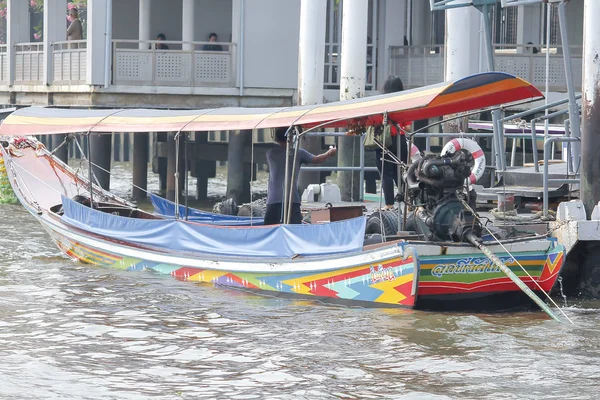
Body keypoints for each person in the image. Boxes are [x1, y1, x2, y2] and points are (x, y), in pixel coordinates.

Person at [264, 127, 337, 225]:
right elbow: (317, 159)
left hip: (273, 199)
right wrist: (329, 153)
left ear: (276, 138)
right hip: (292, 199)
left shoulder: (270, 154)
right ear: (290, 138)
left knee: (270, 228)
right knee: (295, 229)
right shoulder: (298, 153)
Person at [375, 75, 408, 210]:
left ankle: (389, 204)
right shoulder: (404, 102)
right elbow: (408, 124)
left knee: (385, 173)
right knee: (402, 172)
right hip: (400, 138)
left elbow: (375, 121)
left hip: (385, 140)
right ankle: (409, 203)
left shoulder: (381, 102)